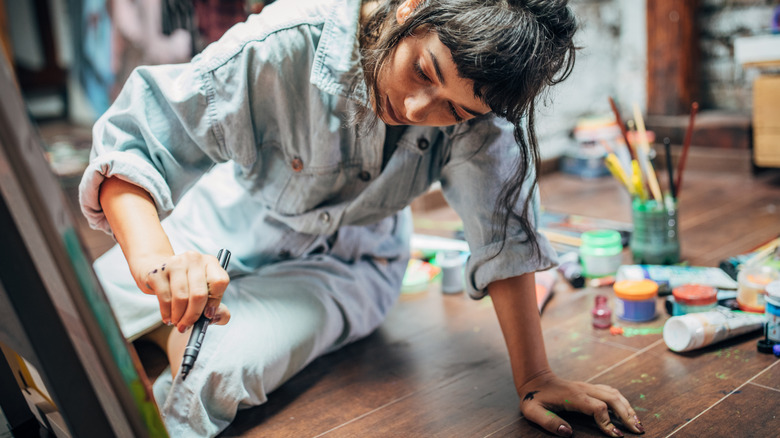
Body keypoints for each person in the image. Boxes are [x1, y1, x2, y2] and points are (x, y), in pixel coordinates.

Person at [79, 0, 645, 436]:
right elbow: (137, 141)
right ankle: (151, 332)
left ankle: (163, 342)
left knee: (215, 369)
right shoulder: (288, 38)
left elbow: (504, 236)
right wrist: (158, 262)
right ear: (409, 7)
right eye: (423, 71)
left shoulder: (483, 118)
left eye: (455, 109)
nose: (420, 111)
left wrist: (535, 377)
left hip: (351, 266)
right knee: (73, 320)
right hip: (220, 227)